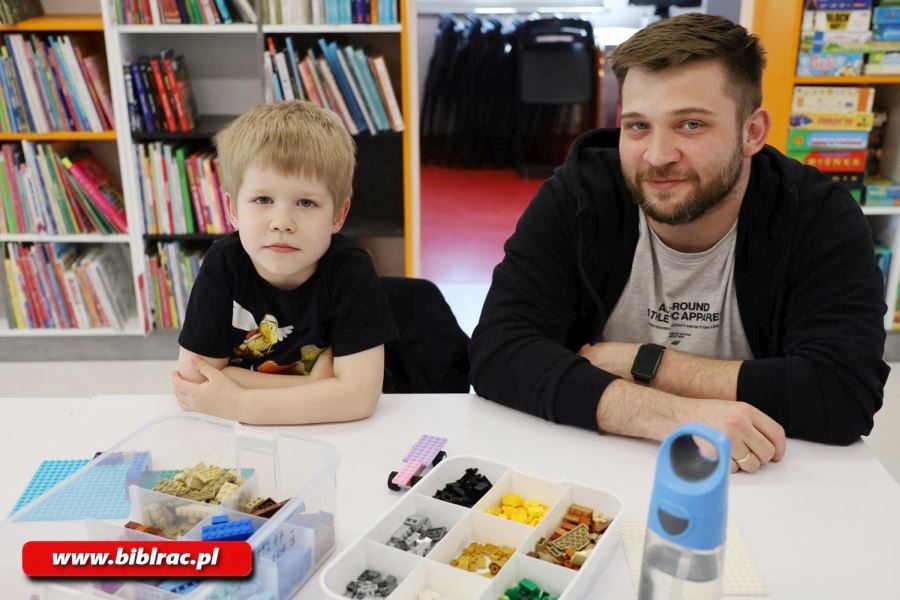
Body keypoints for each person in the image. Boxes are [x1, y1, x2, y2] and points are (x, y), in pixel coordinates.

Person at [469, 13, 889, 472]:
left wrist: (646, 363)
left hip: (763, 474)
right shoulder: (579, 196)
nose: (657, 156)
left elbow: (843, 392)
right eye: (638, 126)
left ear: (752, 132)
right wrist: (675, 416)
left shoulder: (818, 215)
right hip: (591, 467)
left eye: (691, 125)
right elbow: (497, 351)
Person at [172, 100, 397, 424]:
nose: (282, 222)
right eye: (263, 199)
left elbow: (360, 397)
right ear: (233, 209)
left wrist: (239, 403)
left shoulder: (351, 269)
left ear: (338, 215)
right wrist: (317, 386)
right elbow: (194, 381)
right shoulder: (223, 264)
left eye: (305, 202)